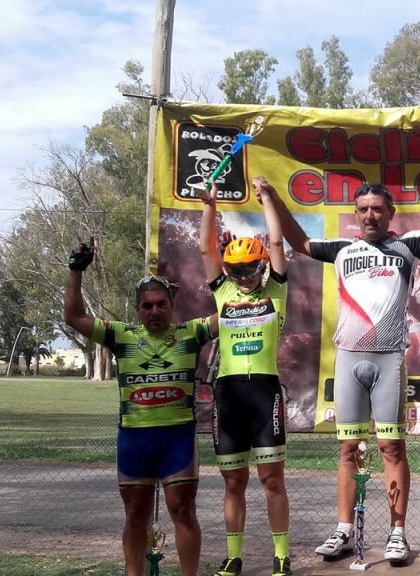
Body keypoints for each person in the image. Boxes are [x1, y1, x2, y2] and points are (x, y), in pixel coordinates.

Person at [266, 179, 420, 564]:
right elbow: (300, 241)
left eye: (377, 209)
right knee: (349, 448)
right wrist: (273, 197)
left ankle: (397, 533)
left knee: (391, 448)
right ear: (355, 214)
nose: (370, 215)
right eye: (363, 209)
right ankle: (344, 530)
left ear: (390, 213)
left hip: (388, 360)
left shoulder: (407, 246)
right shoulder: (343, 249)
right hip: (349, 359)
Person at [63, 238, 211, 576]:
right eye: (147, 306)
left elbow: (230, 314)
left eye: (161, 304)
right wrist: (75, 271)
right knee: (134, 515)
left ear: (172, 304)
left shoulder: (192, 333)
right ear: (137, 309)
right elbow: (73, 316)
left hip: (177, 439)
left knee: (183, 511)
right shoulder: (121, 335)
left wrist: (232, 275)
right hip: (135, 440)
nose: (154, 311)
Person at [198, 178, 292, 576]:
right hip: (229, 394)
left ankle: (281, 557)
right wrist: (210, 206)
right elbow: (206, 249)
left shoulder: (276, 291)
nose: (243, 277)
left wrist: (267, 198)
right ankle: (234, 557)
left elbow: (277, 242)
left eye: (250, 269)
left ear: (262, 265)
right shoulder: (223, 293)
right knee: (233, 482)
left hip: (265, 393)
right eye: (235, 270)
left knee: (272, 480)